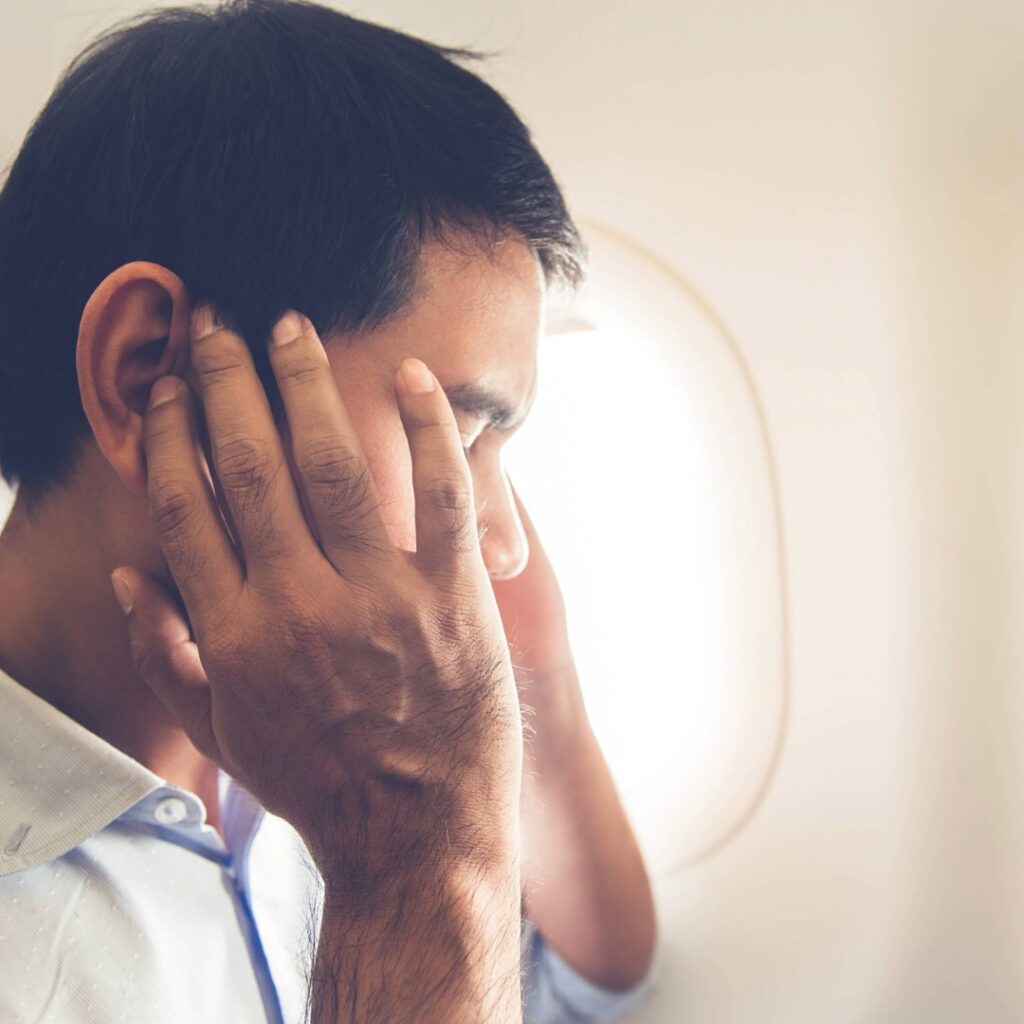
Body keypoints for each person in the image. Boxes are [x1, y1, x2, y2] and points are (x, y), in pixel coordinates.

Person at [0, 1, 659, 1020]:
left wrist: (537, 681)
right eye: (452, 427)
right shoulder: (364, 777)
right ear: (144, 374)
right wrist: (407, 853)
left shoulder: (309, 728)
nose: (502, 536)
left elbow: (586, 985)